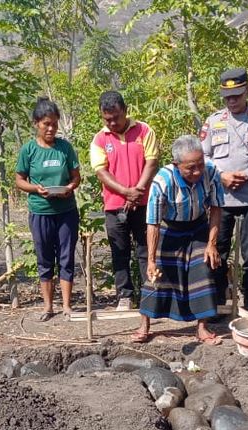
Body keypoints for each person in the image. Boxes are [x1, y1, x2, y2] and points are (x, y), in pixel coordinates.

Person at [134, 135, 225, 345]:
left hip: (198, 226)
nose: (197, 172)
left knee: (203, 267)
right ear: (176, 165)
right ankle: (144, 325)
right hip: (169, 227)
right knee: (155, 275)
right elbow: (153, 223)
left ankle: (202, 327)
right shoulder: (162, 181)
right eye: (190, 168)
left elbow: (216, 208)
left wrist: (212, 244)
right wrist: (151, 259)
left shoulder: (211, 172)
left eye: (200, 165)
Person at [200, 68, 248, 313]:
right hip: (221, 199)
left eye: (237, 95)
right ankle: (220, 301)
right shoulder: (213, 121)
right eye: (227, 97)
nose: (232, 101)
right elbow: (203, 156)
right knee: (217, 251)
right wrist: (222, 176)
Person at [90, 91, 159, 311]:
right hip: (114, 206)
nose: (111, 123)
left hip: (143, 202)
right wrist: (125, 192)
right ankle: (125, 296)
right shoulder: (100, 138)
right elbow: (101, 171)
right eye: (107, 119)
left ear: (125, 111)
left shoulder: (144, 130)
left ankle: (149, 293)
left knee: (144, 249)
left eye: (115, 117)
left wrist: (137, 191)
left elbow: (151, 162)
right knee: (119, 251)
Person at [15, 97, 81, 321]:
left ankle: (67, 306)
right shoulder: (29, 150)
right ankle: (47, 307)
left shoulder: (65, 148)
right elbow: (19, 180)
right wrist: (36, 189)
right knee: (44, 259)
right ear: (36, 123)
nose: (51, 128)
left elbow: (76, 177)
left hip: (66, 212)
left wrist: (69, 188)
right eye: (46, 124)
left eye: (54, 123)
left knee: (66, 258)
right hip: (40, 211)